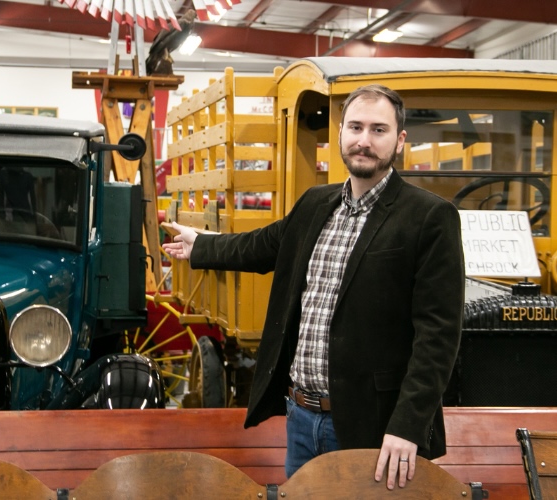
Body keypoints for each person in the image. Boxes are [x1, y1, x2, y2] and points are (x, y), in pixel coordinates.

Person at [163, 84, 465, 490]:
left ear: (400, 141)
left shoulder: (429, 217)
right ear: (340, 133)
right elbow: (263, 246)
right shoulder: (315, 204)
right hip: (302, 418)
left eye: (379, 130)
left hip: (372, 428)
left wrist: (408, 425)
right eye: (355, 127)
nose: (364, 140)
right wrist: (201, 244)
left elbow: (438, 336)